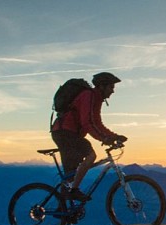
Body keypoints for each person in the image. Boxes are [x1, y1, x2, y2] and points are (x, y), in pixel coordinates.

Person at [50, 72, 127, 200]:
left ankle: (63, 212)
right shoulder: (88, 96)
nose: (113, 91)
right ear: (102, 86)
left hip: (67, 133)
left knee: (70, 176)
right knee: (91, 155)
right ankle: (74, 191)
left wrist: (114, 136)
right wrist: (104, 138)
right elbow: (88, 124)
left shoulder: (96, 99)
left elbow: (97, 123)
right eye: (111, 87)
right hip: (65, 133)